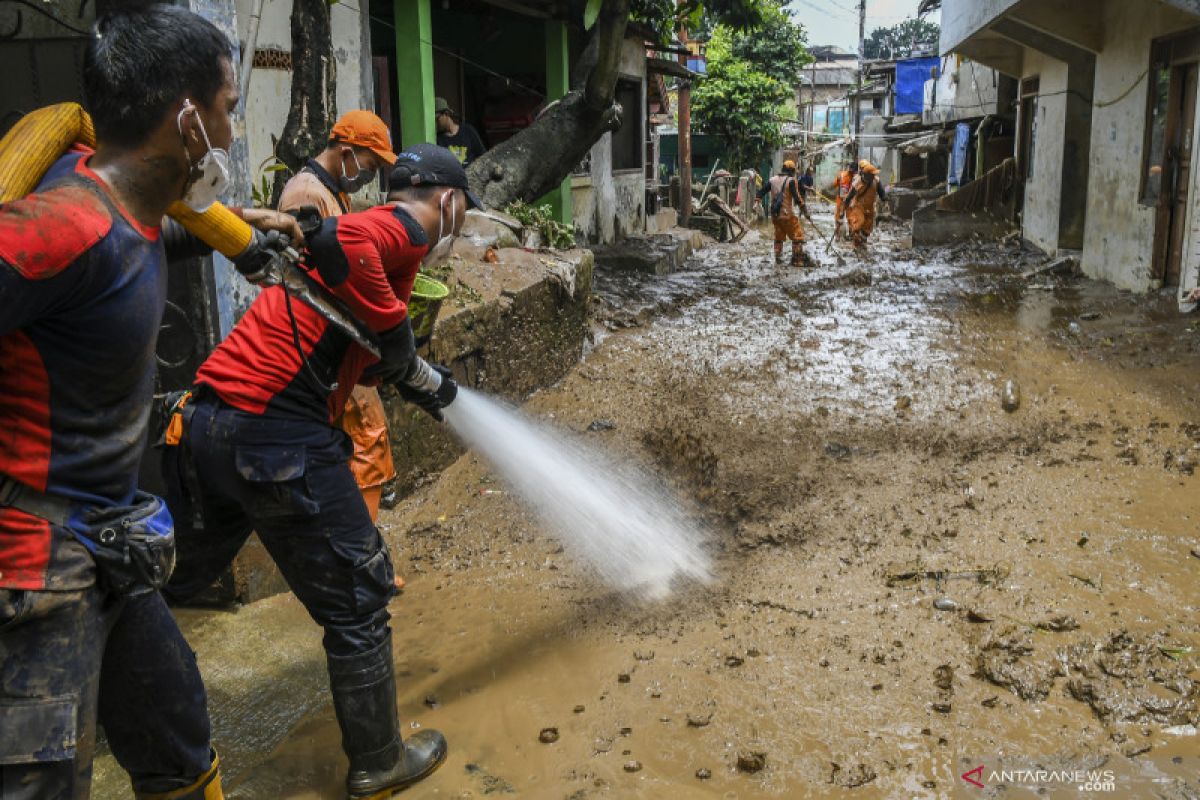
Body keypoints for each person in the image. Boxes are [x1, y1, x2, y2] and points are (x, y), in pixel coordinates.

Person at [0, 6, 300, 799]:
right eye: (231, 110)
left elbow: (127, 254)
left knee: (179, 742)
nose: (234, 137)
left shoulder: (123, 213)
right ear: (187, 119)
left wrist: (227, 232)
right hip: (35, 568)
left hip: (109, 544)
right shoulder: (54, 229)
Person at [162, 143, 482, 799]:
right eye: (461, 210)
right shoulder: (403, 228)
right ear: (448, 201)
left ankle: (133, 716)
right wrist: (397, 333)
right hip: (277, 434)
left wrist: (407, 371)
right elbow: (349, 239)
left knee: (173, 583)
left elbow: (347, 347)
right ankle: (379, 761)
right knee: (359, 601)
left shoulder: (380, 250)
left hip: (207, 425)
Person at [278, 110, 400, 527]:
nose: (370, 175)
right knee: (367, 437)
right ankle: (363, 557)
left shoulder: (330, 190)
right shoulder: (306, 195)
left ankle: (358, 551)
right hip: (321, 343)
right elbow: (307, 278)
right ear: (347, 152)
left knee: (354, 446)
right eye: (370, 165)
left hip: (336, 341)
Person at [758, 159, 813, 267]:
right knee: (797, 237)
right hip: (787, 216)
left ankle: (778, 260)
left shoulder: (772, 180)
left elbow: (761, 192)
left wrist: (757, 200)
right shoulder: (791, 181)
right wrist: (805, 212)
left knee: (778, 238)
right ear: (792, 171)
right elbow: (798, 199)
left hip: (775, 216)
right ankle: (797, 261)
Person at [844, 159, 887, 247]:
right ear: (866, 174)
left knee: (868, 228)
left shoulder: (876, 180)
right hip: (859, 206)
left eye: (874, 174)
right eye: (872, 174)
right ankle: (856, 244)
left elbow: (881, 191)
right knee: (858, 224)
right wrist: (846, 204)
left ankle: (863, 242)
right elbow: (850, 194)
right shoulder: (858, 181)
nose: (873, 175)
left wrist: (885, 199)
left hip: (870, 207)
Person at [435, 97, 486, 167]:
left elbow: (483, 155)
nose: (435, 123)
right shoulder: (438, 140)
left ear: (446, 114)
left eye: (437, 119)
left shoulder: (468, 131)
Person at [834, 160, 858, 235]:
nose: (852, 172)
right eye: (851, 171)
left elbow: (835, 184)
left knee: (850, 217)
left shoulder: (856, 178)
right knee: (839, 216)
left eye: (853, 171)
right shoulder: (842, 175)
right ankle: (838, 233)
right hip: (841, 199)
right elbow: (835, 184)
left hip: (849, 200)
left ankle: (851, 233)